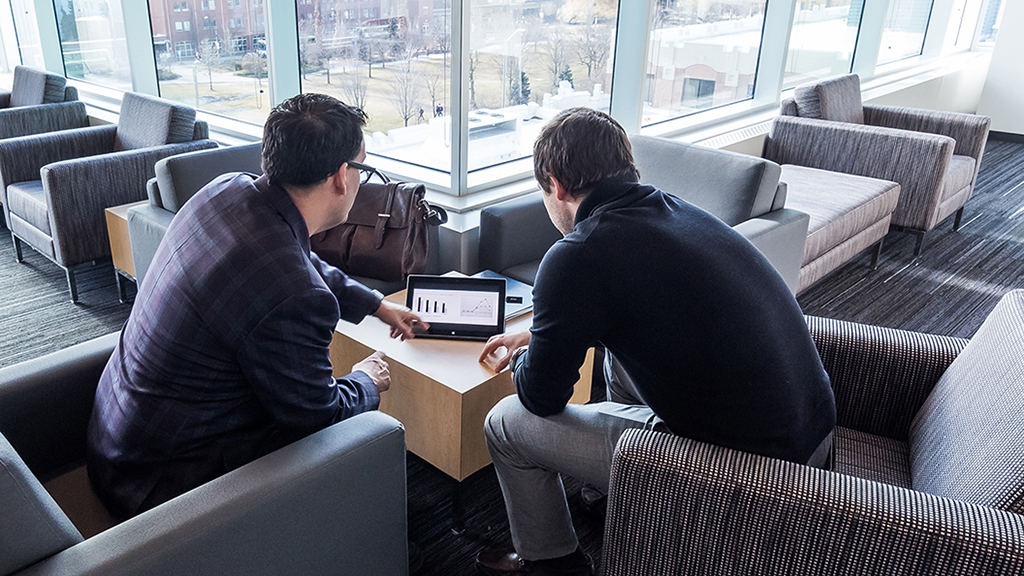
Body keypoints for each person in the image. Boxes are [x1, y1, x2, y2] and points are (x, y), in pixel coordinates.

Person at [475, 107, 836, 576]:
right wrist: (545, 331)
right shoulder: (676, 210)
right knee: (618, 347)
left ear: (555, 185)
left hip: (756, 472)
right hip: (813, 433)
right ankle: (608, 498)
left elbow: (540, 397)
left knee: (505, 424)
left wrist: (527, 355)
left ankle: (552, 564)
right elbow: (640, 311)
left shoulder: (579, 253)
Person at [87, 93, 426, 519]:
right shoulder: (295, 296)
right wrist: (365, 380)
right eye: (363, 169)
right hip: (162, 484)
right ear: (342, 175)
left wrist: (376, 305)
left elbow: (295, 259)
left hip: (115, 439)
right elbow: (318, 417)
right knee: (354, 431)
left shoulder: (226, 190)